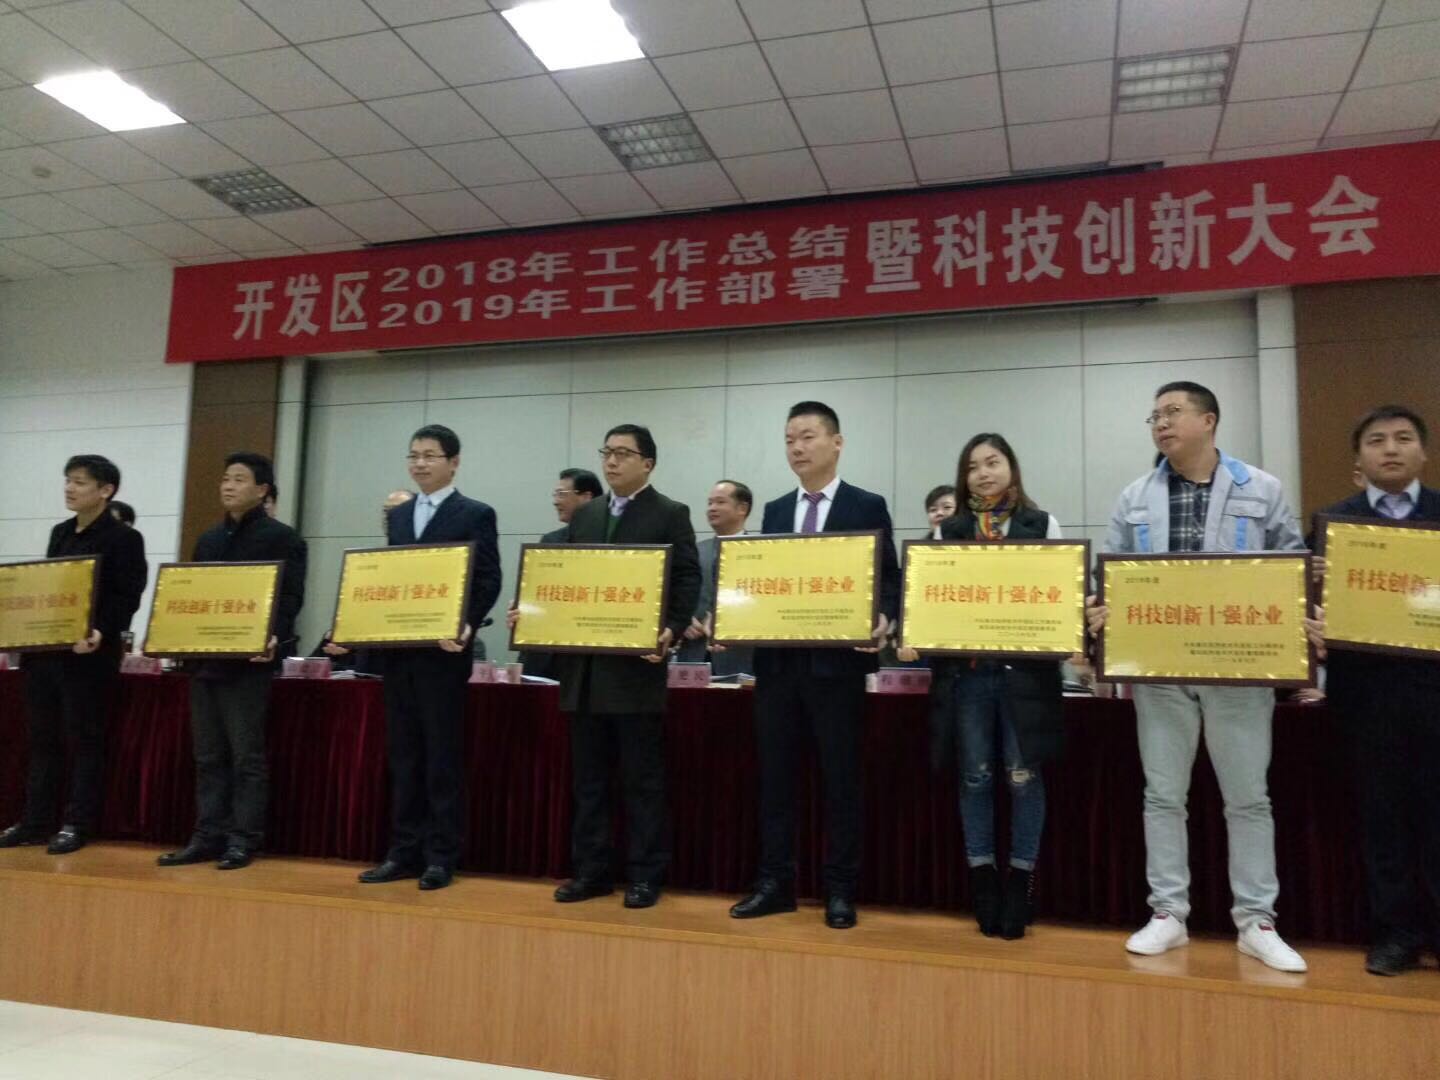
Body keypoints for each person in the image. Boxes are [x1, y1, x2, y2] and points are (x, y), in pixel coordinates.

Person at [1087, 381, 1308, 972]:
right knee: (1162, 795)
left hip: (1237, 668)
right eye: (1154, 415)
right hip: (1159, 669)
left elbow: (1294, 569)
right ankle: (1168, 913)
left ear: (1209, 420)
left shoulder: (1262, 488)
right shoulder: (1135, 496)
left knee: (1248, 798)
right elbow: (1107, 580)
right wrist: (1100, 610)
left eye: (1173, 412)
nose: (1161, 423)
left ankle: (1257, 921)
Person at [512, 424, 700, 909]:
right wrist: (532, 611)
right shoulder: (588, 513)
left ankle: (645, 875)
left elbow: (686, 580)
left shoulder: (670, 513)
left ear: (648, 463)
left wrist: (671, 628)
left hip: (635, 671)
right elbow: (570, 583)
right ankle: (591, 872)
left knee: (642, 782)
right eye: (607, 452)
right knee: (589, 782)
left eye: (623, 453)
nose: (612, 461)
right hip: (584, 673)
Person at [730, 402, 899, 930]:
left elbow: (888, 579)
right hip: (778, 671)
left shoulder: (866, 504)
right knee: (775, 781)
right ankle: (775, 884)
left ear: (836, 442)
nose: (796, 448)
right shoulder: (776, 510)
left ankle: (840, 890)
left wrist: (883, 617)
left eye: (806, 437)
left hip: (837, 672)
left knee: (841, 782)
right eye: (789, 440)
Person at [904, 435, 1065, 940]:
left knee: (1023, 777)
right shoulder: (947, 532)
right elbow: (928, 602)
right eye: (973, 467)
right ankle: (983, 880)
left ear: (1011, 467)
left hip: (1025, 677)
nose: (983, 473)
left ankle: (1020, 880)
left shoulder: (1043, 525)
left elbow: (1062, 596)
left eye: (993, 462)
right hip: (968, 676)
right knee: (974, 777)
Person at [329, 425, 501, 891]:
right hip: (400, 654)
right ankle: (403, 852)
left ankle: (441, 857)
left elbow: (488, 578)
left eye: (430, 455)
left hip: (443, 655)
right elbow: (390, 580)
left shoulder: (475, 513)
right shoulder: (400, 515)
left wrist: (466, 624)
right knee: (404, 757)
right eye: (414, 456)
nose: (420, 463)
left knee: (441, 758)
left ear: (454, 463)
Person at [1305, 405, 1439, 976]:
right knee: (1382, 818)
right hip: (1365, 697)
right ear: (1358, 459)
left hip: (1435, 692)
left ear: (1423, 453)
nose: (1391, 448)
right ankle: (1396, 934)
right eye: (1377, 440)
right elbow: (1312, 613)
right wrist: (1316, 620)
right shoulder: (1334, 524)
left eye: (1403, 438)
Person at [157, 453, 306, 871]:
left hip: (249, 662)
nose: (228, 485)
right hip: (206, 661)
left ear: (262, 490)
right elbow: (192, 595)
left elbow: (290, 597)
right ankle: (207, 835)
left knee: (246, 757)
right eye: (225, 478)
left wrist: (273, 635)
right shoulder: (209, 539)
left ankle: (243, 839)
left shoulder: (282, 538)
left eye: (239, 479)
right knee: (208, 756)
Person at [0, 455, 147, 855]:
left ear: (106, 490)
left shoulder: (124, 538)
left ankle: (77, 823)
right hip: (47, 652)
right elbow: (50, 589)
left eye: (80, 482)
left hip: (90, 656)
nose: (69, 488)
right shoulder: (61, 532)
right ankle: (35, 821)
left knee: (85, 739)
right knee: (42, 739)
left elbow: (128, 594)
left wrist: (101, 629)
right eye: (68, 480)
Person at [521, 469, 602, 678]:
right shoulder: (550, 541)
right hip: (545, 656)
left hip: (590, 654)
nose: (556, 501)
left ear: (586, 497)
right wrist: (523, 607)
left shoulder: (610, 545)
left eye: (562, 494)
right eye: (555, 494)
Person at [678, 479, 755, 675]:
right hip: (692, 657)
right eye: (710, 503)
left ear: (742, 508)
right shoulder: (695, 551)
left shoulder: (759, 552)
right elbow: (676, 595)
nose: (712, 508)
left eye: (720, 502)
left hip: (741, 658)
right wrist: (683, 620)